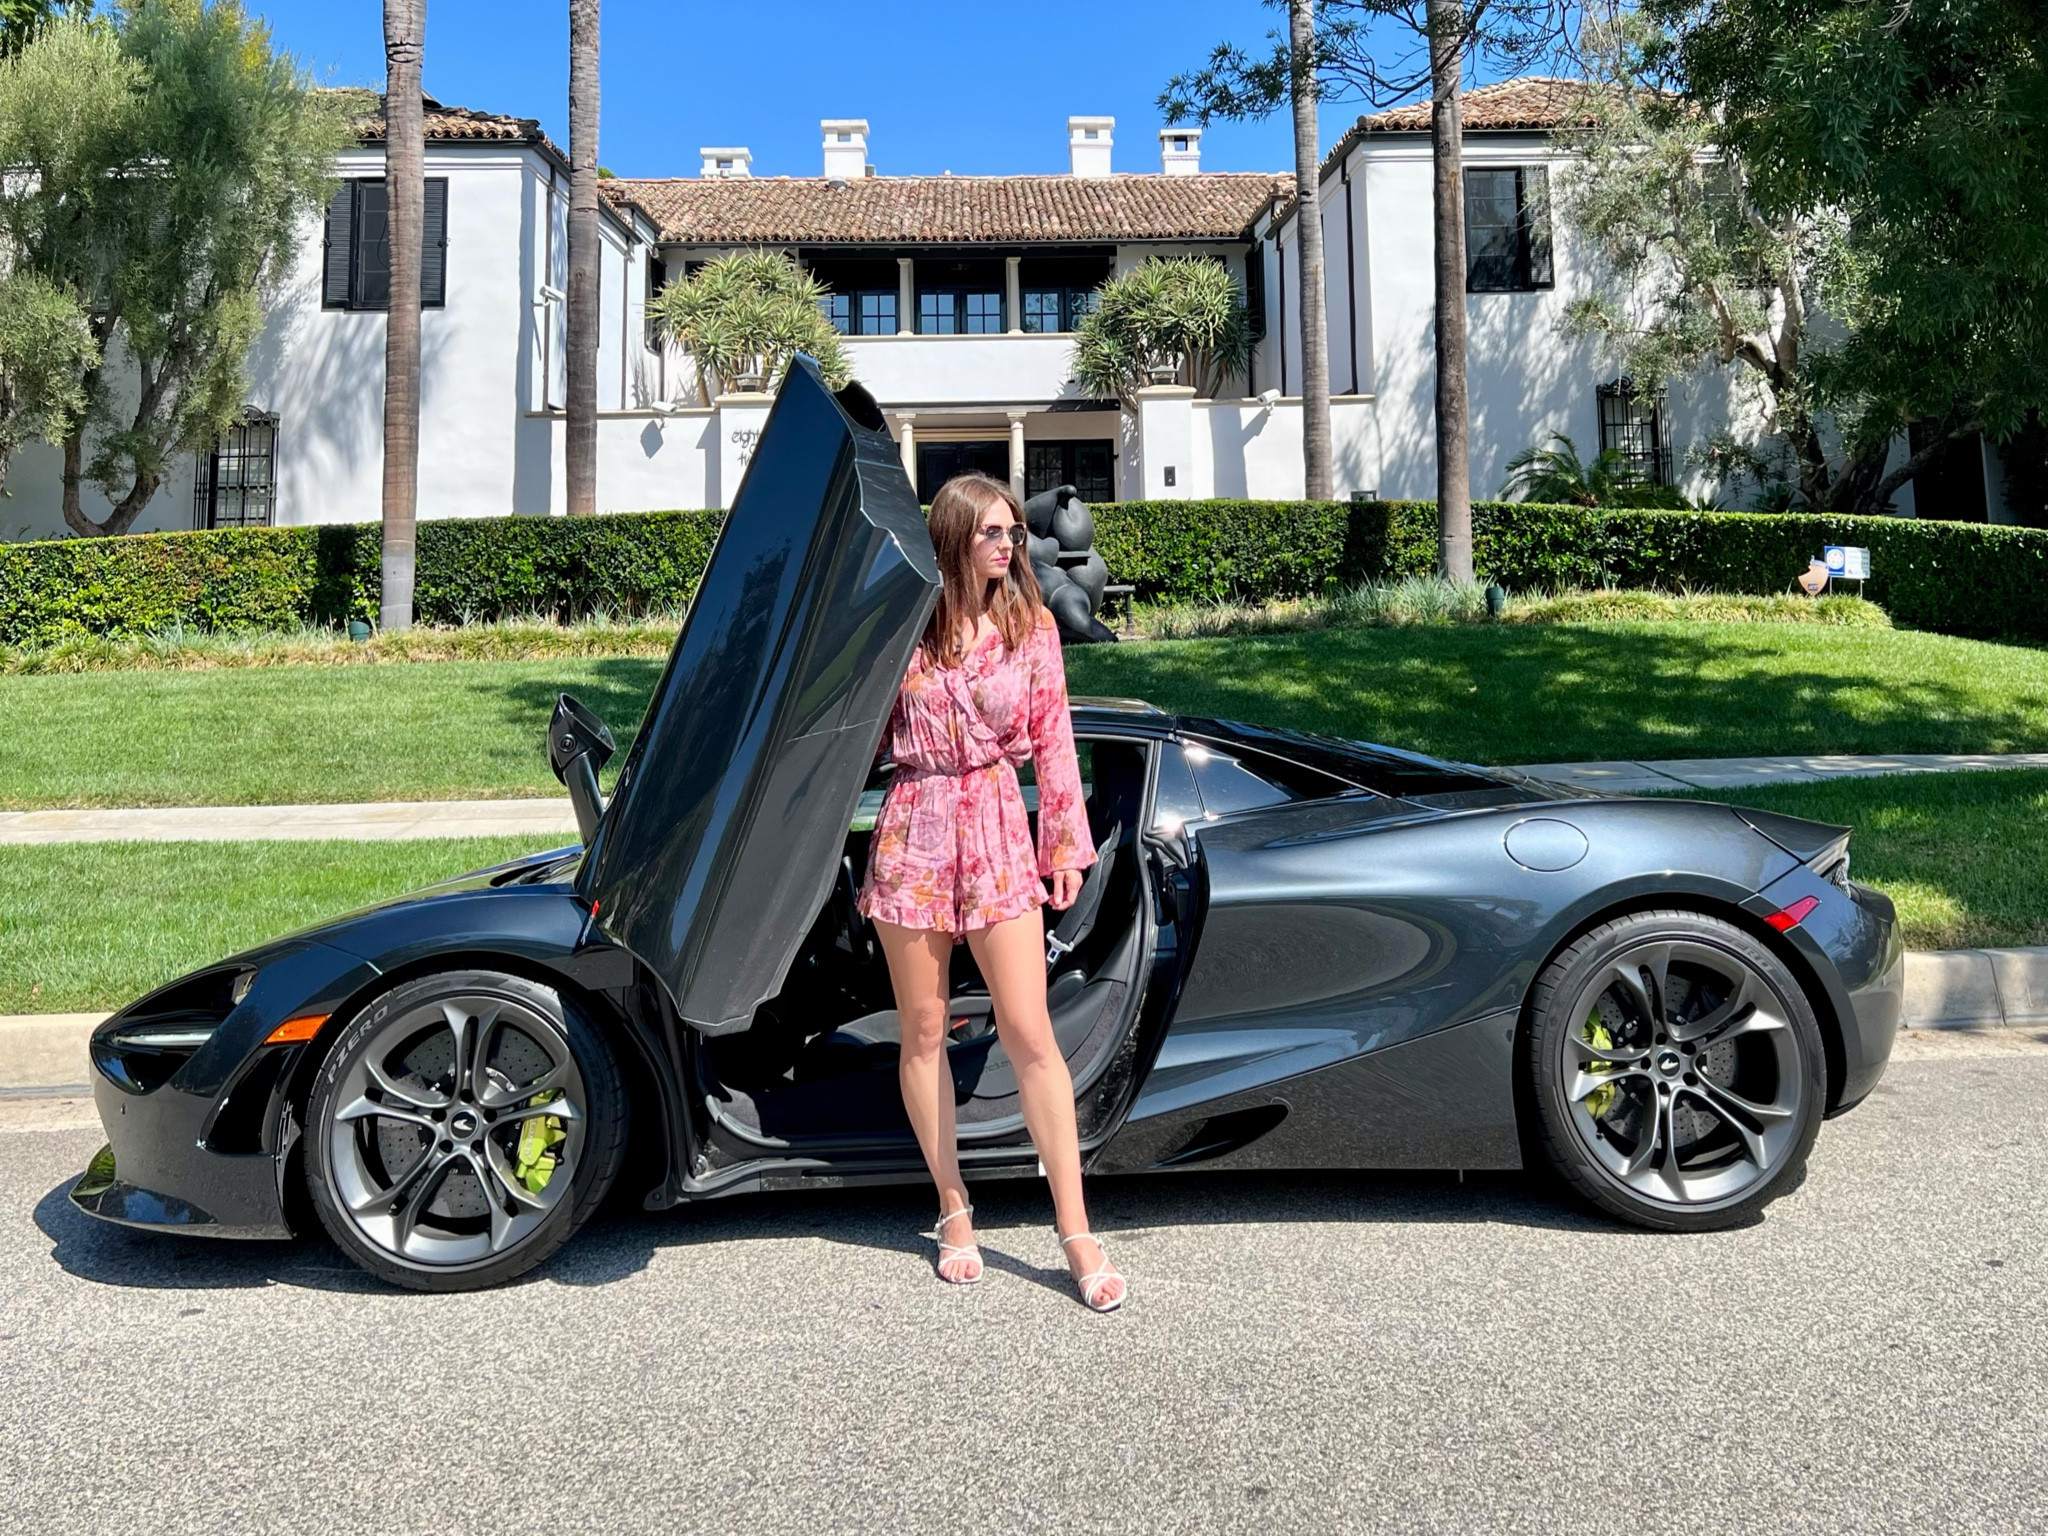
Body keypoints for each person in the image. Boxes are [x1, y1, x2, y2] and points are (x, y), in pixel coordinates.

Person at [857, 471, 1127, 1313]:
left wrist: (1065, 845)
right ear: (952, 539)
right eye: (992, 532)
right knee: (924, 1030)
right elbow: (854, 734)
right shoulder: (904, 626)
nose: (1009, 544)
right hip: (913, 830)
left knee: (1029, 1031)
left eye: (1012, 530)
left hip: (999, 828)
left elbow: (1055, 741)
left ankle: (1075, 1229)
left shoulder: (1031, 626)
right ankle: (952, 1207)